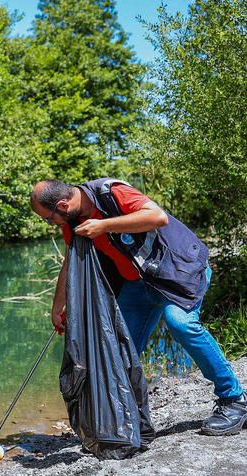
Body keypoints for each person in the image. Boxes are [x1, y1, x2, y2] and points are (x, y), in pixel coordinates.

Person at [30, 178, 246, 436]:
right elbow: (70, 260)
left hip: (177, 269)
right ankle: (130, 417)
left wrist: (104, 225)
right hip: (137, 284)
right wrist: (58, 307)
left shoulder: (110, 192)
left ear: (63, 205)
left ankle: (234, 400)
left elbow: (157, 216)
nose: (51, 223)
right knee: (118, 348)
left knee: (181, 323)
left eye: (49, 217)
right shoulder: (73, 221)